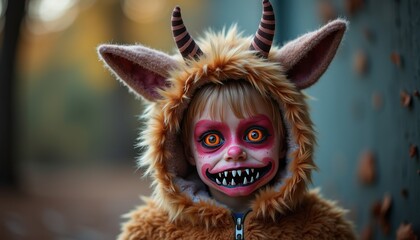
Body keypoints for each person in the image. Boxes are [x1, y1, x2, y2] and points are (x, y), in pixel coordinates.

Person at [98, 0, 356, 239]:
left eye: (255, 135)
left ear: (285, 142)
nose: (234, 152)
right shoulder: (151, 233)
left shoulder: (323, 229)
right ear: (187, 152)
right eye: (212, 139)